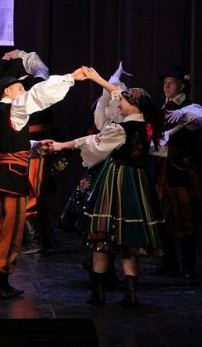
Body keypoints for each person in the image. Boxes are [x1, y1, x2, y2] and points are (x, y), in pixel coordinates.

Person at [50, 67, 166, 308]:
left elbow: (92, 141)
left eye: (123, 101)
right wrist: (98, 79)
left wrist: (60, 146)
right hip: (138, 181)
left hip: (117, 179)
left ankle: (98, 293)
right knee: (129, 242)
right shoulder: (146, 125)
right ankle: (131, 295)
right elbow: (118, 95)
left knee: (101, 238)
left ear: (134, 106)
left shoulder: (120, 129)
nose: (119, 103)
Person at [0, 65, 86, 298]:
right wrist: (70, 77)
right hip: (10, 178)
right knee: (10, 229)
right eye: (19, 88)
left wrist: (35, 146)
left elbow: (10, 144)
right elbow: (39, 94)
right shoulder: (14, 107)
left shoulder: (0, 113)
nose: (23, 92)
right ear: (7, 91)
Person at [151, 67, 202, 282]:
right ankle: (169, 262)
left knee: (184, 216)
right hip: (162, 168)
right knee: (162, 215)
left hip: (180, 169)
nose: (166, 86)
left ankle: (188, 266)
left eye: (171, 82)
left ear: (182, 86)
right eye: (165, 82)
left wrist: (183, 114)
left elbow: (200, 119)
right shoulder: (163, 108)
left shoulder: (192, 108)